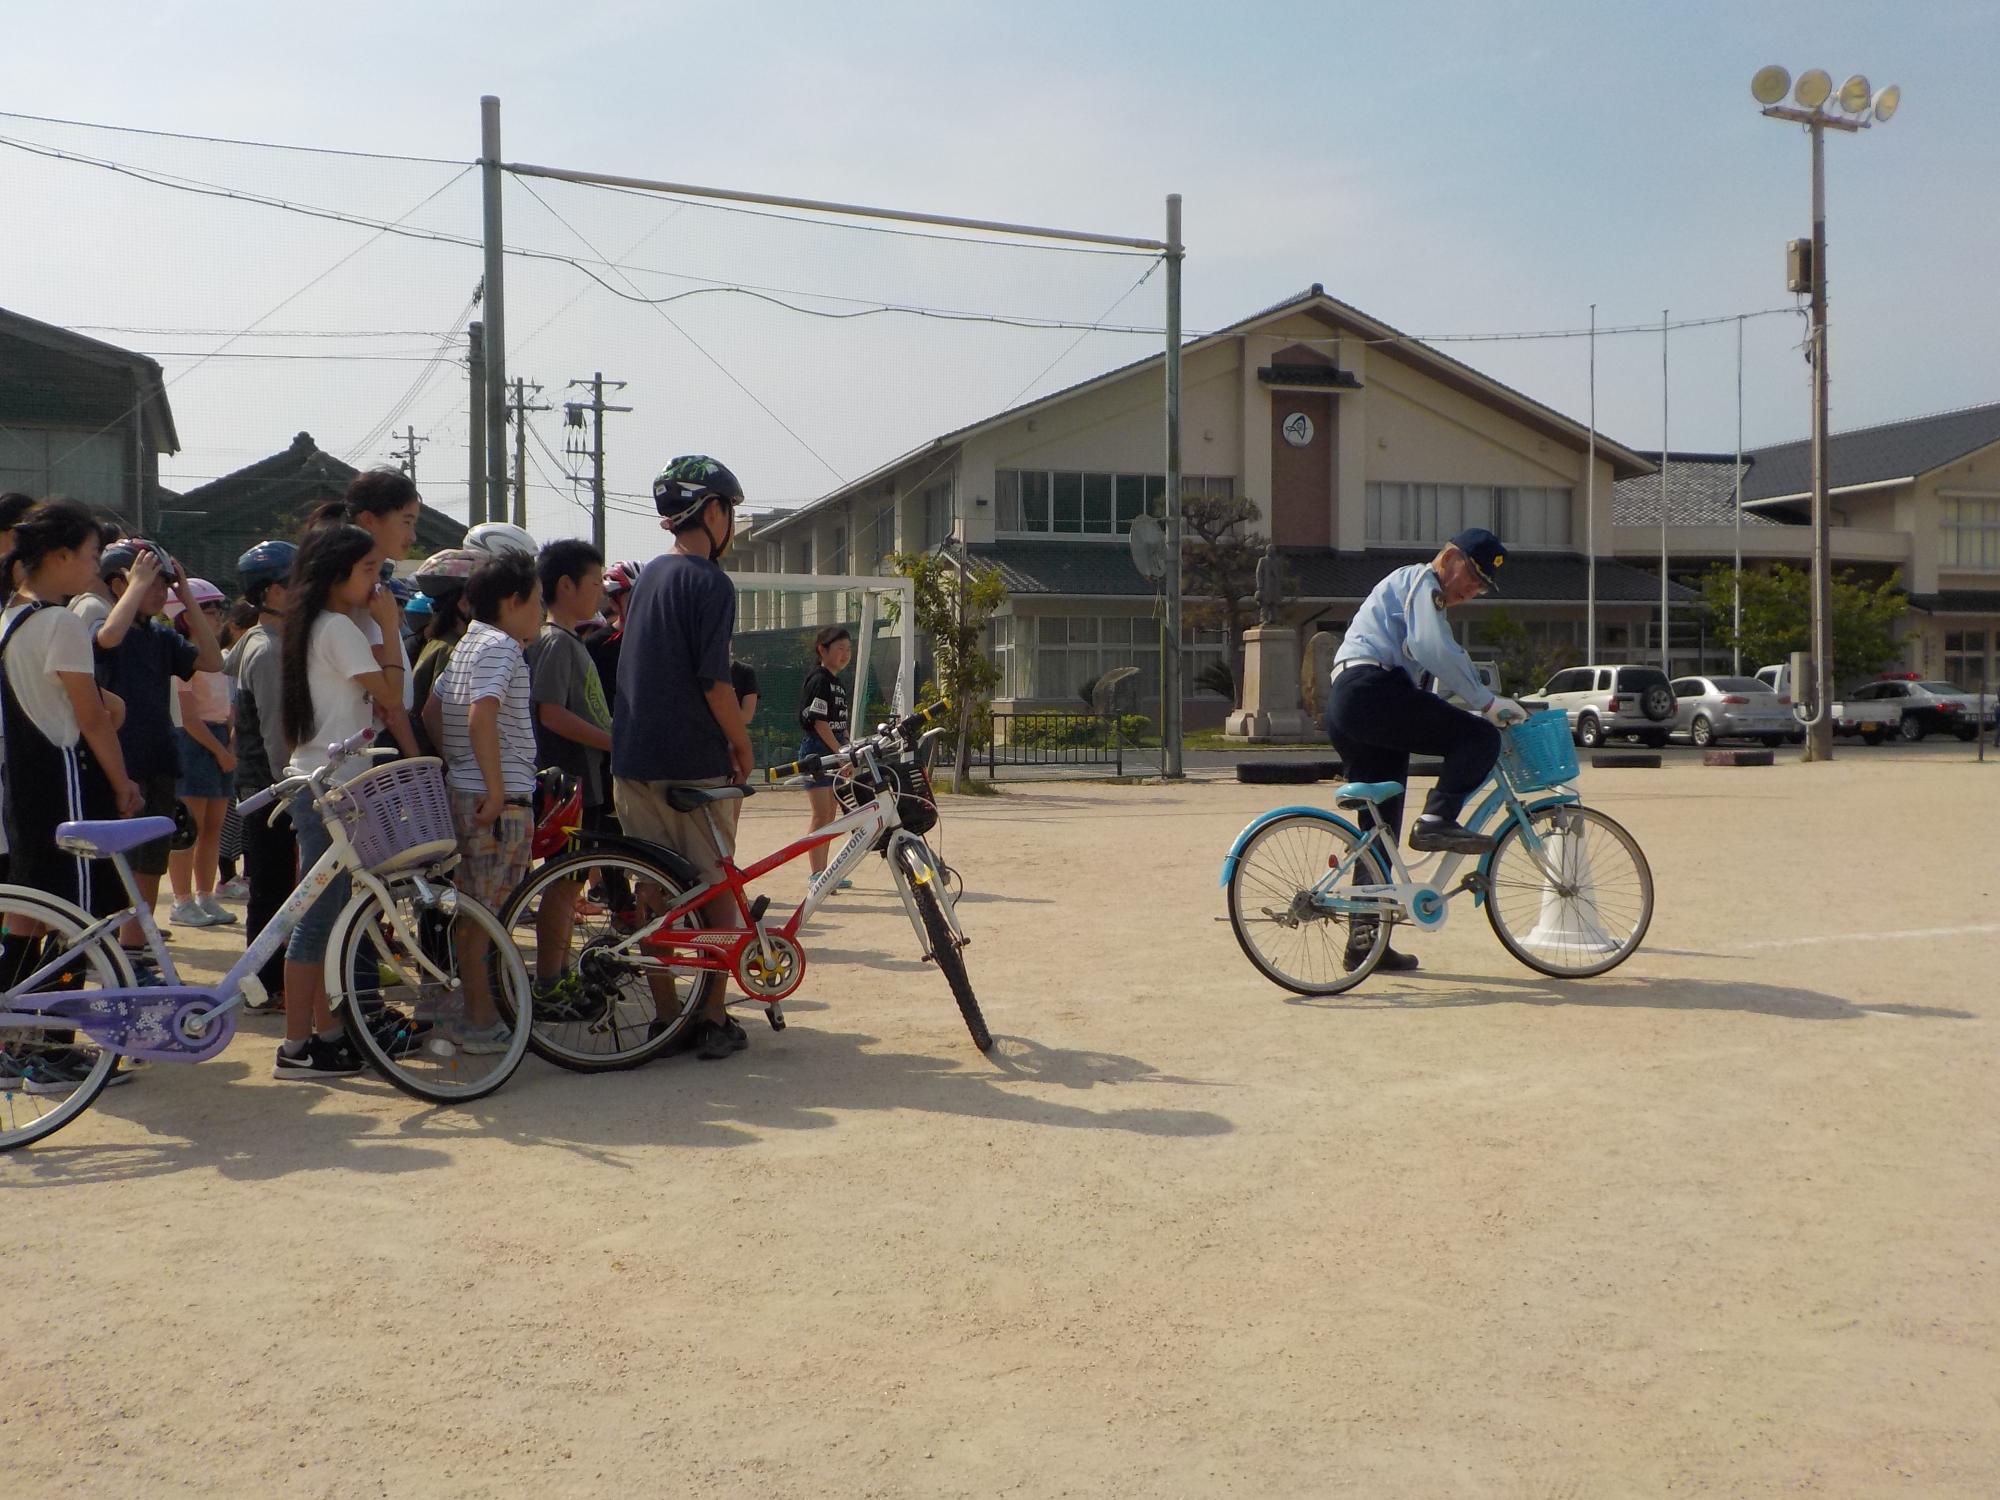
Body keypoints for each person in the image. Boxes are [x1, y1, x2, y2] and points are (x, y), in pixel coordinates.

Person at [1325, 527, 1524, 973]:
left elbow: (1433, 668)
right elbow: (1433, 649)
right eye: (1471, 577)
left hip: (1351, 700)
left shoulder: (1415, 593)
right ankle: (1437, 819)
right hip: (1372, 690)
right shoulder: (1422, 581)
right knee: (1478, 736)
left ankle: (1365, 944)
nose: (1471, 591)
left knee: (1380, 831)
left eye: (1480, 588)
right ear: (1449, 558)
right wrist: (1487, 704)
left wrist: (1472, 696)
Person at [0, 503, 145, 1095]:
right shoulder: (60, 623)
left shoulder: (10, 617)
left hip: (23, 784)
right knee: (79, 923)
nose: (93, 566)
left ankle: (16, 1043)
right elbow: (91, 718)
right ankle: (49, 1052)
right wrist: (122, 783)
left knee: (31, 916)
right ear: (58, 557)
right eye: (88, 555)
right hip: (65, 781)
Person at [613, 455, 754, 1062]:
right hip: (694, 761)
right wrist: (742, 744)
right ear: (714, 511)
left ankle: (666, 1018)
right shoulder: (710, 582)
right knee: (716, 884)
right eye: (731, 512)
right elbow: (714, 684)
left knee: (655, 891)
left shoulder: (647, 579)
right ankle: (714, 1017)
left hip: (633, 757)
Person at [273, 524, 417, 1081]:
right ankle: (295, 1047)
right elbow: (389, 696)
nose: (377, 581)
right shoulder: (340, 628)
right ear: (338, 574)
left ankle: (326, 1035)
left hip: (322, 781)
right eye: (367, 571)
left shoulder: (321, 625)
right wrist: (388, 626)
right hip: (329, 789)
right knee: (315, 922)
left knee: (327, 918)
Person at [427, 550, 542, 1055]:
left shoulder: (469, 642)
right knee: (487, 915)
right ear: (514, 601)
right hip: (497, 802)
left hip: (467, 790)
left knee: (476, 910)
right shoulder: (502, 647)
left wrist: (458, 768)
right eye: (537, 603)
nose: (540, 613)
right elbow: (481, 716)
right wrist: (494, 788)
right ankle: (479, 1019)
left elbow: (432, 711)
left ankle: (478, 1011)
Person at [92, 538, 224, 972]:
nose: (159, 591)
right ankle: (108, 954)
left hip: (159, 758)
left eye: (163, 583)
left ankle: (135, 952)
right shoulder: (105, 627)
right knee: (118, 868)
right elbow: (109, 637)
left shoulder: (160, 636)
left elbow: (211, 661)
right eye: (151, 582)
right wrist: (136, 583)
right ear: (118, 584)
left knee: (150, 864)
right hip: (121, 763)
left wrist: (185, 594)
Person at [525, 539, 612, 1000]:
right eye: (594, 582)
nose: (600, 591)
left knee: (569, 881)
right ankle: (550, 982)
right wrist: (612, 741)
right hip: (570, 784)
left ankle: (556, 976)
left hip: (582, 781)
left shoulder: (564, 639)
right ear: (565, 585)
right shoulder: (555, 642)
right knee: (563, 882)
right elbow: (550, 712)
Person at [228, 539, 297, 1013]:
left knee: (271, 886)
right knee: (272, 889)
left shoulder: (255, 639)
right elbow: (276, 733)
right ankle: (264, 985)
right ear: (273, 591)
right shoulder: (269, 650)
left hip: (260, 783)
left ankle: (264, 981)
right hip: (270, 787)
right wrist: (292, 789)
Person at [308, 469, 425, 737]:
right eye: (406, 522)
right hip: (364, 742)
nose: (413, 535)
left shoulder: (367, 592)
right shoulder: (352, 601)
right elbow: (387, 700)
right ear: (369, 520)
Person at [164, 579, 238, 931]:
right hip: (195, 743)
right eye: (210, 610)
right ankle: (181, 901)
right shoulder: (182, 658)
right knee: (188, 830)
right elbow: (189, 718)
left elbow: (228, 707)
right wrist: (221, 750)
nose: (217, 617)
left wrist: (231, 743)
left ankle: (206, 895)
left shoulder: (217, 658)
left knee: (213, 827)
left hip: (220, 739)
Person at [798, 625, 854, 886]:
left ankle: (825, 873)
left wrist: (848, 752)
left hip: (833, 751)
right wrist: (840, 754)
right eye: (839, 648)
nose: (845, 654)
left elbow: (838, 725)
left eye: (848, 649)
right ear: (823, 649)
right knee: (821, 815)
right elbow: (819, 723)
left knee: (831, 815)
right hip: (817, 752)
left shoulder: (837, 683)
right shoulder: (819, 679)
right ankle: (816, 875)